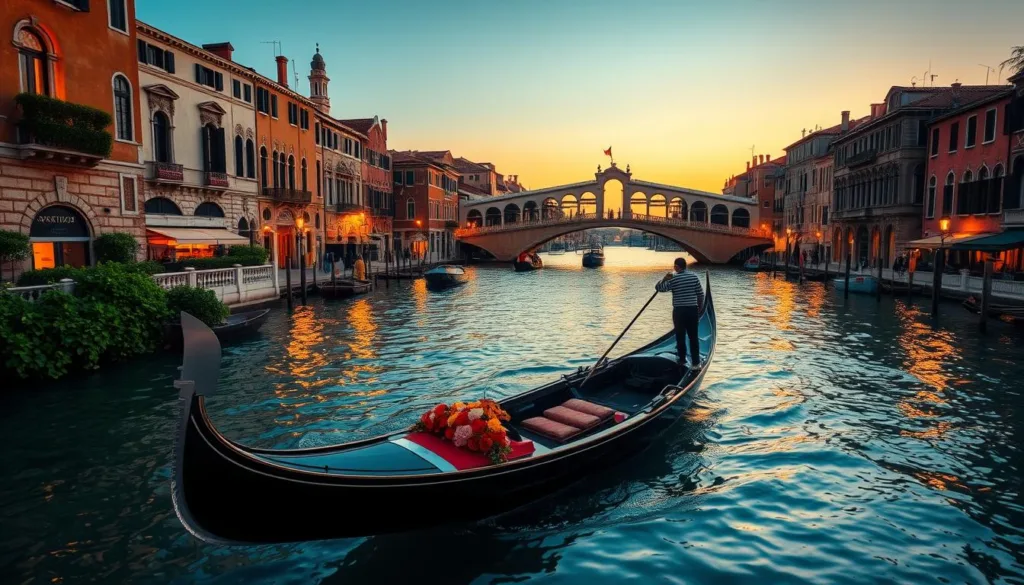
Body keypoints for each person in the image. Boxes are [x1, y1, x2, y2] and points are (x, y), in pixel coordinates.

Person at [655, 257, 705, 369]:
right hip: (692, 310)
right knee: (693, 337)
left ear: (676, 267)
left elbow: (659, 288)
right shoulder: (694, 277)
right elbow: (700, 295)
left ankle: (682, 360)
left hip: (679, 311)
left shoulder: (673, 279)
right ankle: (696, 363)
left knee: (680, 336)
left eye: (674, 266)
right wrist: (699, 310)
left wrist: (664, 279)